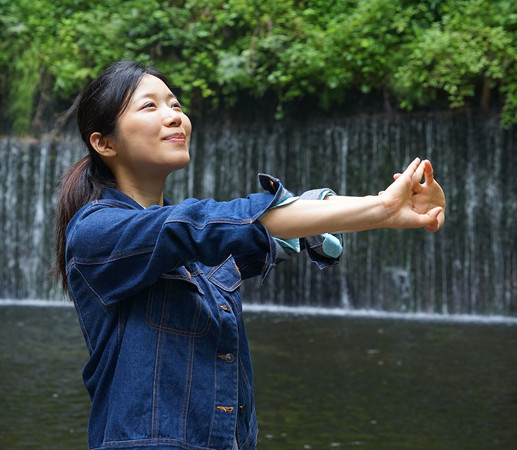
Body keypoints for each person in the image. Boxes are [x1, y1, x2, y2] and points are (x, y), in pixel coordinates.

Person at [54, 60, 445, 450]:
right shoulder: (97, 232)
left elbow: (262, 232)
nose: (174, 117)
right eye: (149, 106)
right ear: (104, 143)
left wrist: (380, 208)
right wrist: (381, 209)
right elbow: (205, 225)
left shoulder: (197, 254)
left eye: (175, 105)